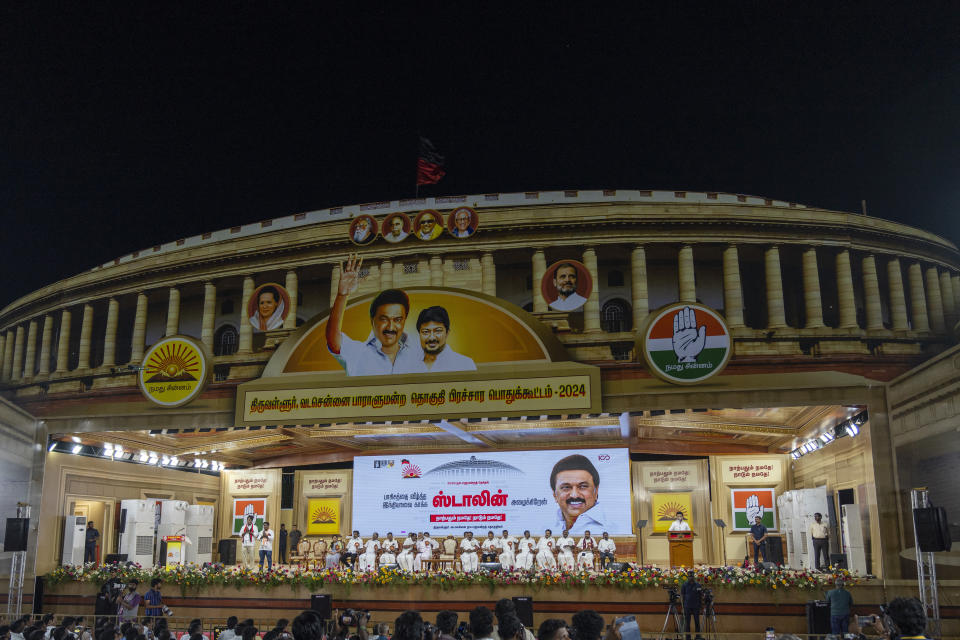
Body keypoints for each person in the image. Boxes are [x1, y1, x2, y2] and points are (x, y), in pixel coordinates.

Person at [326, 255, 421, 376]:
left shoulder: (419, 355)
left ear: (404, 321)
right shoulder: (359, 352)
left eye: (397, 320)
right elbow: (333, 339)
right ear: (372, 320)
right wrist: (342, 295)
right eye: (384, 319)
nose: (391, 327)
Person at [550, 454, 608, 534]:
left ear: (596, 491)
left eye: (583, 486)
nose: (574, 495)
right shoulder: (544, 529)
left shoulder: (613, 529)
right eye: (566, 487)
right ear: (555, 495)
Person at [410, 306, 477, 372]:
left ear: (447, 333)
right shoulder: (409, 365)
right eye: (426, 332)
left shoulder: (465, 364)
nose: (431, 337)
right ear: (419, 334)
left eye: (438, 331)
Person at [681, 570, 702, 640]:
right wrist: (683, 607)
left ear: (694, 576)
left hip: (696, 606)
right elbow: (683, 596)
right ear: (688, 577)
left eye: (692, 576)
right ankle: (688, 637)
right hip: (687, 606)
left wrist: (700, 606)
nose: (691, 577)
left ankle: (698, 636)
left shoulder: (698, 585)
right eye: (690, 576)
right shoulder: (684, 585)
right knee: (687, 623)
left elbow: (700, 596)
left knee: (697, 622)